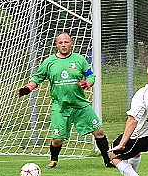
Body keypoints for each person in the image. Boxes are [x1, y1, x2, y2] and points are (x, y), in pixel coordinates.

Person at [17, 32, 113, 168]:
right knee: (57, 139)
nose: (63, 45)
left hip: (80, 105)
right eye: (60, 42)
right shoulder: (49, 62)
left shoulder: (79, 59)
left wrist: (88, 83)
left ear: (71, 44)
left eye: (66, 42)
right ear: (56, 45)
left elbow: (91, 75)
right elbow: (37, 78)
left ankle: (107, 161)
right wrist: (28, 89)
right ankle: (53, 159)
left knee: (99, 131)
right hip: (60, 106)